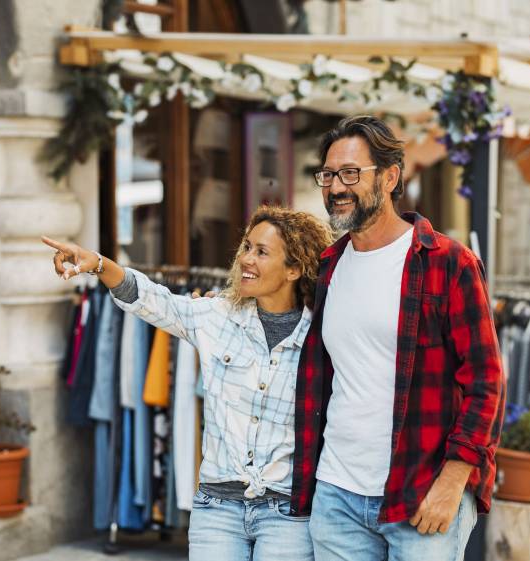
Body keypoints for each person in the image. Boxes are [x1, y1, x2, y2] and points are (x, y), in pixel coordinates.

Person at [42, 206, 333, 561]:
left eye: (261, 252)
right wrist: (101, 264)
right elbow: (153, 300)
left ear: (294, 269)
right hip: (218, 509)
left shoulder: (320, 336)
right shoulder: (217, 317)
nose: (246, 259)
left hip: (288, 514)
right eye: (246, 247)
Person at [289, 116, 505, 561]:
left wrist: (453, 481)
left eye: (351, 173)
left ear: (389, 177)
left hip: (422, 490)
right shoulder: (330, 265)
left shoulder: (448, 263)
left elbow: (487, 383)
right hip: (337, 494)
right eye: (328, 175)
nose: (335, 187)